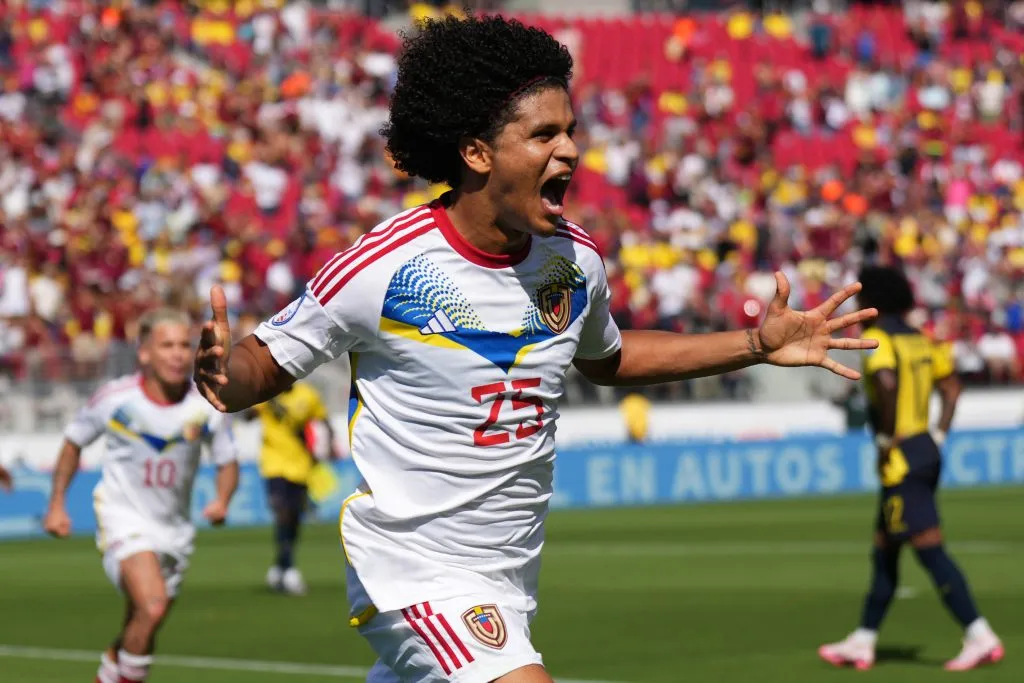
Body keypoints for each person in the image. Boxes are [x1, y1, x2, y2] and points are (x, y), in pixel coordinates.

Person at [193, 15, 877, 683]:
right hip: (412, 573)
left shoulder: (572, 261)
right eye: (544, 133)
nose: (572, 150)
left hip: (508, 580)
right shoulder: (384, 267)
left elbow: (608, 360)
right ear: (477, 152)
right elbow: (265, 359)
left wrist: (754, 343)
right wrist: (227, 374)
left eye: (571, 131)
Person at [818, 266, 1004, 672]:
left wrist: (886, 440)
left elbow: (885, 384)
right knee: (885, 550)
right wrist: (937, 435)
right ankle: (863, 639)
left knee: (929, 549)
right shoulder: (923, 340)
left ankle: (979, 633)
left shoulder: (880, 339)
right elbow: (952, 389)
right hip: (924, 448)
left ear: (873, 301)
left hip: (900, 457)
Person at [43, 309, 239, 683]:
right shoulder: (116, 398)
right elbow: (73, 443)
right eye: (166, 345)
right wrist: (56, 506)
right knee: (152, 607)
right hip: (124, 517)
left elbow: (227, 459)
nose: (178, 354)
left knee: (142, 623)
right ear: (144, 353)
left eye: (184, 344)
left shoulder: (204, 404)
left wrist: (222, 500)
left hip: (175, 529)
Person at [249, 380, 338, 595]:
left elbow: (324, 421)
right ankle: (289, 569)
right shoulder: (267, 392)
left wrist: (326, 446)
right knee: (283, 513)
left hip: (301, 466)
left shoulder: (307, 395)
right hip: (274, 464)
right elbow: (246, 415)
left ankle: (280, 566)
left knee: (294, 518)